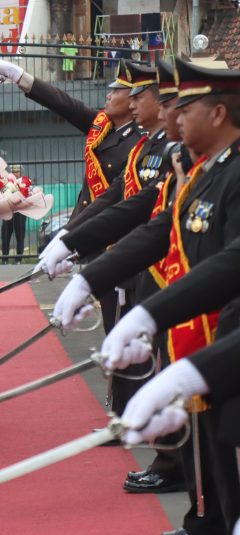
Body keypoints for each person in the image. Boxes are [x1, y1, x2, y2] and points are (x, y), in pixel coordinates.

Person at [54, 58, 240, 535]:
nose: (174, 116)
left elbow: (232, 262)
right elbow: (157, 225)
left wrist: (151, 316)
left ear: (217, 114)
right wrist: (86, 272)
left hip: (222, 343)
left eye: (185, 106)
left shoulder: (232, 175)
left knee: (226, 464)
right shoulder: (203, 171)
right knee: (210, 466)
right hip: (202, 338)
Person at [41, 60, 186, 493]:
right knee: (151, 360)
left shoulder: (183, 157)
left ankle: (176, 465)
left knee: (168, 373)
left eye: (141, 95)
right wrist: (71, 241)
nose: (140, 105)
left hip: (177, 285)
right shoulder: (157, 150)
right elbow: (129, 203)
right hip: (153, 273)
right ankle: (176, 467)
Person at [0, 57, 142, 335]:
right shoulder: (102, 128)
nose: (109, 93)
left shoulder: (139, 141)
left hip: (123, 247)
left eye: (117, 90)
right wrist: (19, 76)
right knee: (111, 329)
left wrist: (71, 234)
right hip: (99, 244)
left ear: (133, 101)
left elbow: (114, 197)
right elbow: (63, 104)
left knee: (125, 333)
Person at [0, 164, 28, 264]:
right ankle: (4, 259)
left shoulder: (25, 182)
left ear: (21, 172)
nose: (16, 173)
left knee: (20, 235)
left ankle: (19, 259)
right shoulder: (6, 182)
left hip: (20, 213)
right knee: (5, 235)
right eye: (14, 171)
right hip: (8, 212)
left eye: (17, 171)